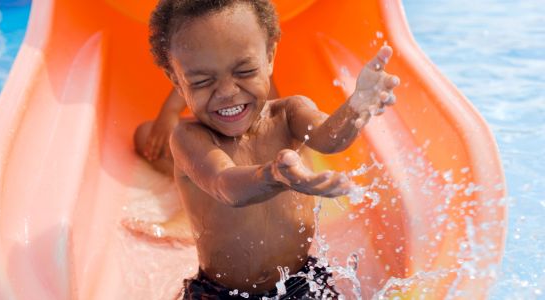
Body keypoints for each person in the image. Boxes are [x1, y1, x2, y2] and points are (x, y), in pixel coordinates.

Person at [146, 0, 399, 298]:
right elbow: (225, 185)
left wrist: (355, 107)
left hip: (301, 283)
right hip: (220, 293)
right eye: (202, 81)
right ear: (176, 81)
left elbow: (329, 138)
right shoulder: (189, 138)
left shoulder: (290, 113)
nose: (227, 92)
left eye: (245, 71)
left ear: (269, 56)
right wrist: (274, 175)